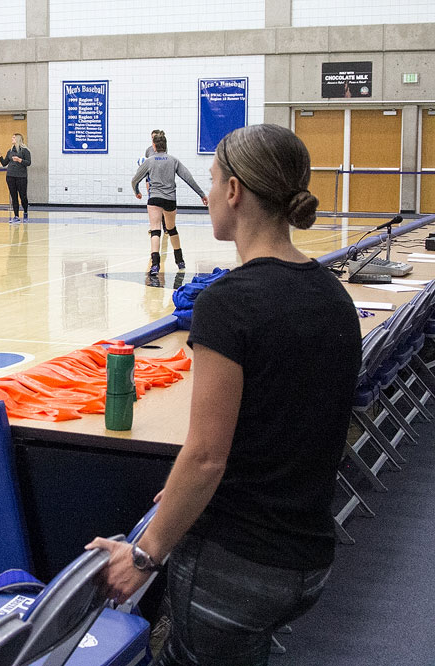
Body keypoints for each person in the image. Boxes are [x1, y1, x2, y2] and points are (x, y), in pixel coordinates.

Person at [88, 124, 362, 666]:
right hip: (307, 559)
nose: (208, 194)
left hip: (237, 566)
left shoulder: (228, 304)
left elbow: (207, 456)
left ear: (234, 191)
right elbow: (289, 423)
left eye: (213, 182)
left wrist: (144, 554)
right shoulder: (334, 296)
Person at [131, 133, 207, 274]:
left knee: (155, 230)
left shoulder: (149, 161)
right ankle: (180, 260)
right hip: (170, 199)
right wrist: (201, 194)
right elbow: (188, 178)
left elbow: (135, 180)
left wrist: (137, 192)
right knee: (172, 229)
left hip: (154, 198)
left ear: (154, 146)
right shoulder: (173, 160)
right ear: (166, 145)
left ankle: (155, 265)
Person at [0, 133, 31, 222]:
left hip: (21, 176)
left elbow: (28, 163)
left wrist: (20, 160)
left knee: (23, 196)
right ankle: (16, 216)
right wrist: (0, 156)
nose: (12, 139)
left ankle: (25, 211)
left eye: (13, 137)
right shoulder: (10, 151)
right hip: (10, 176)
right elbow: (4, 163)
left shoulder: (25, 151)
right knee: (14, 196)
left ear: (18, 139)